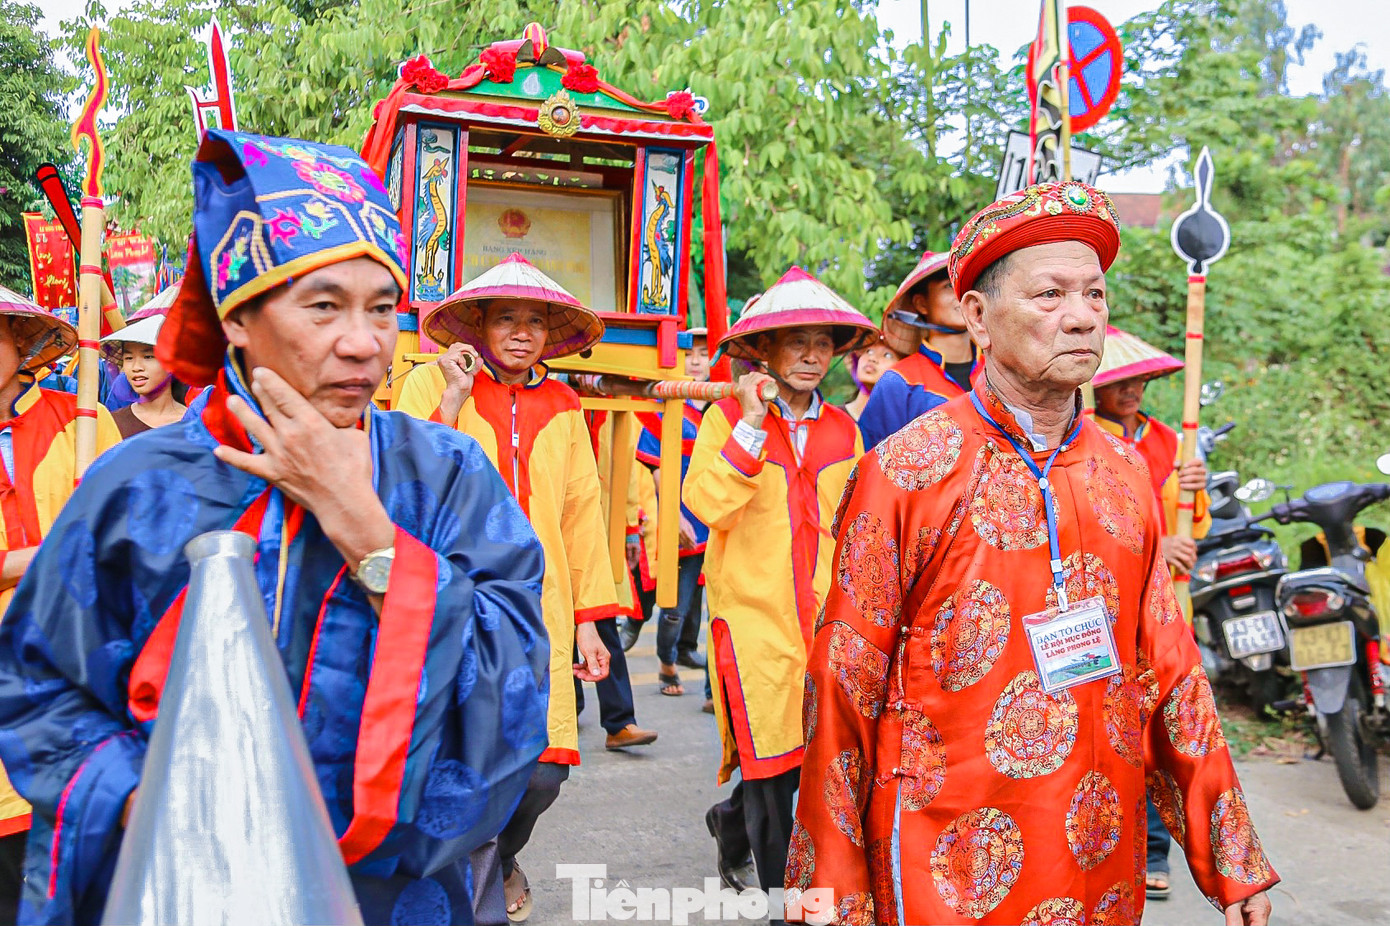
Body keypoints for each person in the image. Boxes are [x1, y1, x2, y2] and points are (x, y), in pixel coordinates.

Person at [0, 130, 551, 926]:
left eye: (382, 307)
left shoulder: (446, 476)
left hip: (392, 899)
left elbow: (516, 705)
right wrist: (157, 809)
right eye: (323, 305)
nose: (363, 342)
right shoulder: (138, 485)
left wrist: (369, 531)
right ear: (238, 320)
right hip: (180, 889)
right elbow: (41, 687)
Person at [791, 181, 1276, 926]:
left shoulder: (1123, 472)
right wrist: (829, 881)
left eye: (1093, 294)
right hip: (942, 859)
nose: (1082, 316)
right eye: (1049, 294)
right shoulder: (907, 471)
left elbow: (1169, 672)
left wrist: (1230, 859)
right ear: (978, 317)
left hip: (1096, 852)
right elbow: (843, 680)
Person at [396, 253, 654, 922]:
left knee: (544, 770)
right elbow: (410, 484)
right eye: (505, 319)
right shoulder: (428, 385)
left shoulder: (565, 404)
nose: (519, 333)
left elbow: (580, 516)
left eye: (534, 322)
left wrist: (594, 623)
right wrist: (453, 394)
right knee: (457, 753)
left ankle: (503, 857)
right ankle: (458, 881)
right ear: (476, 326)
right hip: (452, 599)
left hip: (543, 609)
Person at [682, 267, 874, 912]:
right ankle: (777, 901)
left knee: (806, 759)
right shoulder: (725, 421)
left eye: (823, 342)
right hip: (751, 619)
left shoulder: (845, 431)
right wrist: (750, 425)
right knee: (771, 768)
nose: (813, 355)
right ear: (764, 351)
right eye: (797, 342)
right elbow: (706, 504)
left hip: (824, 618)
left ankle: (727, 824)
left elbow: (855, 524)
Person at [0, 286, 120, 925]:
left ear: (20, 345)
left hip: (76, 676)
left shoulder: (84, 420)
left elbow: (116, 536)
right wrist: (30, 562)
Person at [1089, 325, 1212, 900]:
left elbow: (1195, 527)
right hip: (1112, 606)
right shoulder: (1088, 438)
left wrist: (1195, 491)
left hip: (1169, 606)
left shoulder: (1169, 440)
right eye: (1120, 382)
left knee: (1164, 723)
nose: (1133, 389)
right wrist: (1156, 549)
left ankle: (1157, 850)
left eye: (1140, 380)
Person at [629, 328, 712, 698]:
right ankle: (666, 664)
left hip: (714, 519)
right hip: (678, 519)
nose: (695, 361)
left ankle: (706, 678)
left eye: (703, 354)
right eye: (688, 354)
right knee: (674, 601)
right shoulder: (665, 406)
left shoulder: (720, 409)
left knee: (706, 604)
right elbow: (660, 471)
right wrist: (674, 516)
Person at [858, 250, 982, 447]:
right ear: (921, 304)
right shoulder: (898, 382)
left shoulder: (1002, 370)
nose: (961, 296)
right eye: (949, 286)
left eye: (967, 286)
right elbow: (871, 464)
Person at [99, 313, 188, 438]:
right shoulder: (113, 423)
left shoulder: (194, 423)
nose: (136, 367)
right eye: (129, 358)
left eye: (148, 357)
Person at [841, 335, 899, 421]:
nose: (872, 358)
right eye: (869, 351)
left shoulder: (902, 429)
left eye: (887, 355)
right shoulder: (829, 418)